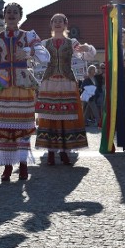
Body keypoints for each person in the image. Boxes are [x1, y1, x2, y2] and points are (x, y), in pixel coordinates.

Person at [0, 2, 50, 182]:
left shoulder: (28, 35)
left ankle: (23, 165)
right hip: (2, 83)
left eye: (15, 12)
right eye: (8, 12)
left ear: (20, 16)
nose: (11, 14)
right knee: (4, 125)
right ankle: (8, 166)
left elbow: (44, 56)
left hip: (22, 84)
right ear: (4, 15)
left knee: (22, 125)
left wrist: (29, 52)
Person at [35, 13, 96, 165]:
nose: (57, 23)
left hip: (67, 82)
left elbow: (89, 56)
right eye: (54, 21)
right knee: (49, 115)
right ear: (51, 24)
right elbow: (36, 60)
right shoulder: (44, 43)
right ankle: (50, 151)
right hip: (49, 82)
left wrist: (86, 47)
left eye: (60, 21)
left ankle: (64, 151)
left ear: (65, 24)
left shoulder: (72, 42)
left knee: (66, 115)